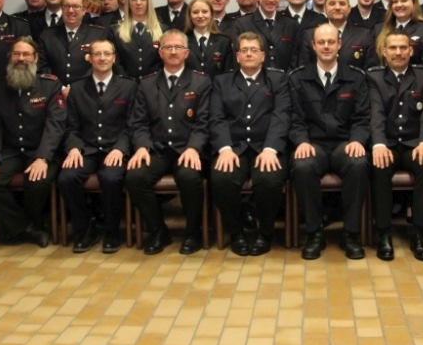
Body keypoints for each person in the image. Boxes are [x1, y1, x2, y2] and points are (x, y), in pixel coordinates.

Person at [125, 29, 211, 255]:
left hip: (188, 149)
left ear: (187, 53)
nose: (173, 52)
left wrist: (194, 147)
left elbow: (204, 122)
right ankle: (158, 231)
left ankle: (193, 232)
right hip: (158, 149)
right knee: (135, 177)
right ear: (160, 53)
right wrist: (142, 146)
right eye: (168, 48)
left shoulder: (201, 82)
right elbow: (138, 122)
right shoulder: (146, 84)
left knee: (189, 177)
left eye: (178, 48)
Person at [289, 23, 371, 260]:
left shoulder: (356, 78)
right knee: (302, 166)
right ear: (313, 45)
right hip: (313, 144)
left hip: (344, 143)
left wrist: (357, 140)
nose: (326, 46)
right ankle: (315, 234)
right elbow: (295, 118)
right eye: (321, 42)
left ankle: (351, 234)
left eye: (331, 42)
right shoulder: (297, 78)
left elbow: (362, 117)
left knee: (358, 164)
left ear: (339, 44)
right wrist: (301, 141)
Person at [210, 32, 291, 256]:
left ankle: (265, 233)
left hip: (266, 147)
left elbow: (281, 115)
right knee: (221, 178)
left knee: (269, 179)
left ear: (263, 56)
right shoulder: (222, 82)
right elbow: (216, 118)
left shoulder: (278, 80)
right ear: (237, 56)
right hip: (233, 147)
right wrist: (224, 149)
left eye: (253, 50)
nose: (248, 54)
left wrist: (270, 148)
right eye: (244, 50)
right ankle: (236, 233)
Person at [0, 37, 65, 248]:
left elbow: (55, 125)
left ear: (35, 58)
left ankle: (30, 224)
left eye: (26, 54)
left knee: (37, 181)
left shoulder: (50, 85)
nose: (21, 58)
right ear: (10, 57)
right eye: (17, 54)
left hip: (41, 149)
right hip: (12, 150)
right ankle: (26, 227)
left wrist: (43, 158)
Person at [57, 38, 138, 253]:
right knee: (66, 178)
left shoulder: (129, 87)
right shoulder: (76, 88)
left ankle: (112, 232)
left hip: (115, 147)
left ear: (114, 58)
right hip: (86, 148)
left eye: (106, 54)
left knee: (111, 177)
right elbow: (71, 126)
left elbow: (132, 125)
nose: (102, 58)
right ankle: (85, 228)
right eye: (97, 54)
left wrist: (120, 149)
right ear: (89, 58)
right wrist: (73, 147)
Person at [367, 30, 423, 261]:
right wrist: (378, 144)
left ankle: (418, 233)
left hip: (413, 143)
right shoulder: (374, 77)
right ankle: (384, 233)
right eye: (393, 48)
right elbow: (375, 114)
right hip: (386, 143)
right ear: (384, 52)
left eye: (403, 48)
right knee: (378, 168)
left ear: (411, 51)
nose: (398, 52)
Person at [36, 0, 116, 94]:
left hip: (88, 93)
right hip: (54, 94)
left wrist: (76, 89)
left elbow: (102, 64)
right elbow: (42, 67)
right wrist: (60, 88)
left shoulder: (98, 34)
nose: (70, 10)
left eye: (76, 6)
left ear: (84, 10)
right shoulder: (47, 35)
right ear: (62, 9)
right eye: (67, 6)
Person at [226, 0, 301, 71]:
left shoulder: (291, 25)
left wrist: (284, 82)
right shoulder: (242, 24)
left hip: (286, 83)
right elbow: (238, 61)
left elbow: (296, 61)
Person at [300, 0, 377, 70]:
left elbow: (370, 71)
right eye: (332, 4)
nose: (337, 7)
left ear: (349, 9)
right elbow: (304, 71)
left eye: (342, 4)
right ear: (325, 8)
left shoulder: (364, 35)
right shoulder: (310, 34)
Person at [113, 0, 168, 80]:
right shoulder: (115, 31)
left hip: (154, 87)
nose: (138, 2)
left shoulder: (163, 30)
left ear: (148, 2)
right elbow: (115, 62)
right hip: (125, 86)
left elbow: (166, 61)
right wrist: (127, 82)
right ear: (128, 2)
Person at [184, 0, 235, 76]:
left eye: (204, 11)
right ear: (190, 16)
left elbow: (228, 75)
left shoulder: (224, 42)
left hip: (217, 87)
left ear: (211, 14)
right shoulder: (183, 41)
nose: (200, 16)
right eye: (195, 12)